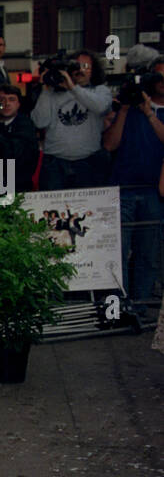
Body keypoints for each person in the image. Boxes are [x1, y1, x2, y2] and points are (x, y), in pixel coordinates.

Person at [104, 72, 164, 309]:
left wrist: (149, 112)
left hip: (153, 190)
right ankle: (118, 304)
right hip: (123, 188)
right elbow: (109, 144)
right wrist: (126, 109)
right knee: (117, 251)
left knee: (147, 251)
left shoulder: (153, 113)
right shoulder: (125, 112)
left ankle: (141, 303)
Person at [32, 50, 113, 190]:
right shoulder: (52, 94)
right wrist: (45, 89)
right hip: (55, 164)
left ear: (94, 70)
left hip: (89, 162)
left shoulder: (100, 90)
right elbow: (39, 122)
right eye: (76, 66)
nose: (80, 70)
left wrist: (73, 88)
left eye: (86, 66)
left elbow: (100, 107)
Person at [0, 84, 40, 189]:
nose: (7, 104)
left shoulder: (25, 125)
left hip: (19, 185)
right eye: (2, 100)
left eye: (11, 99)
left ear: (18, 104)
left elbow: (12, 155)